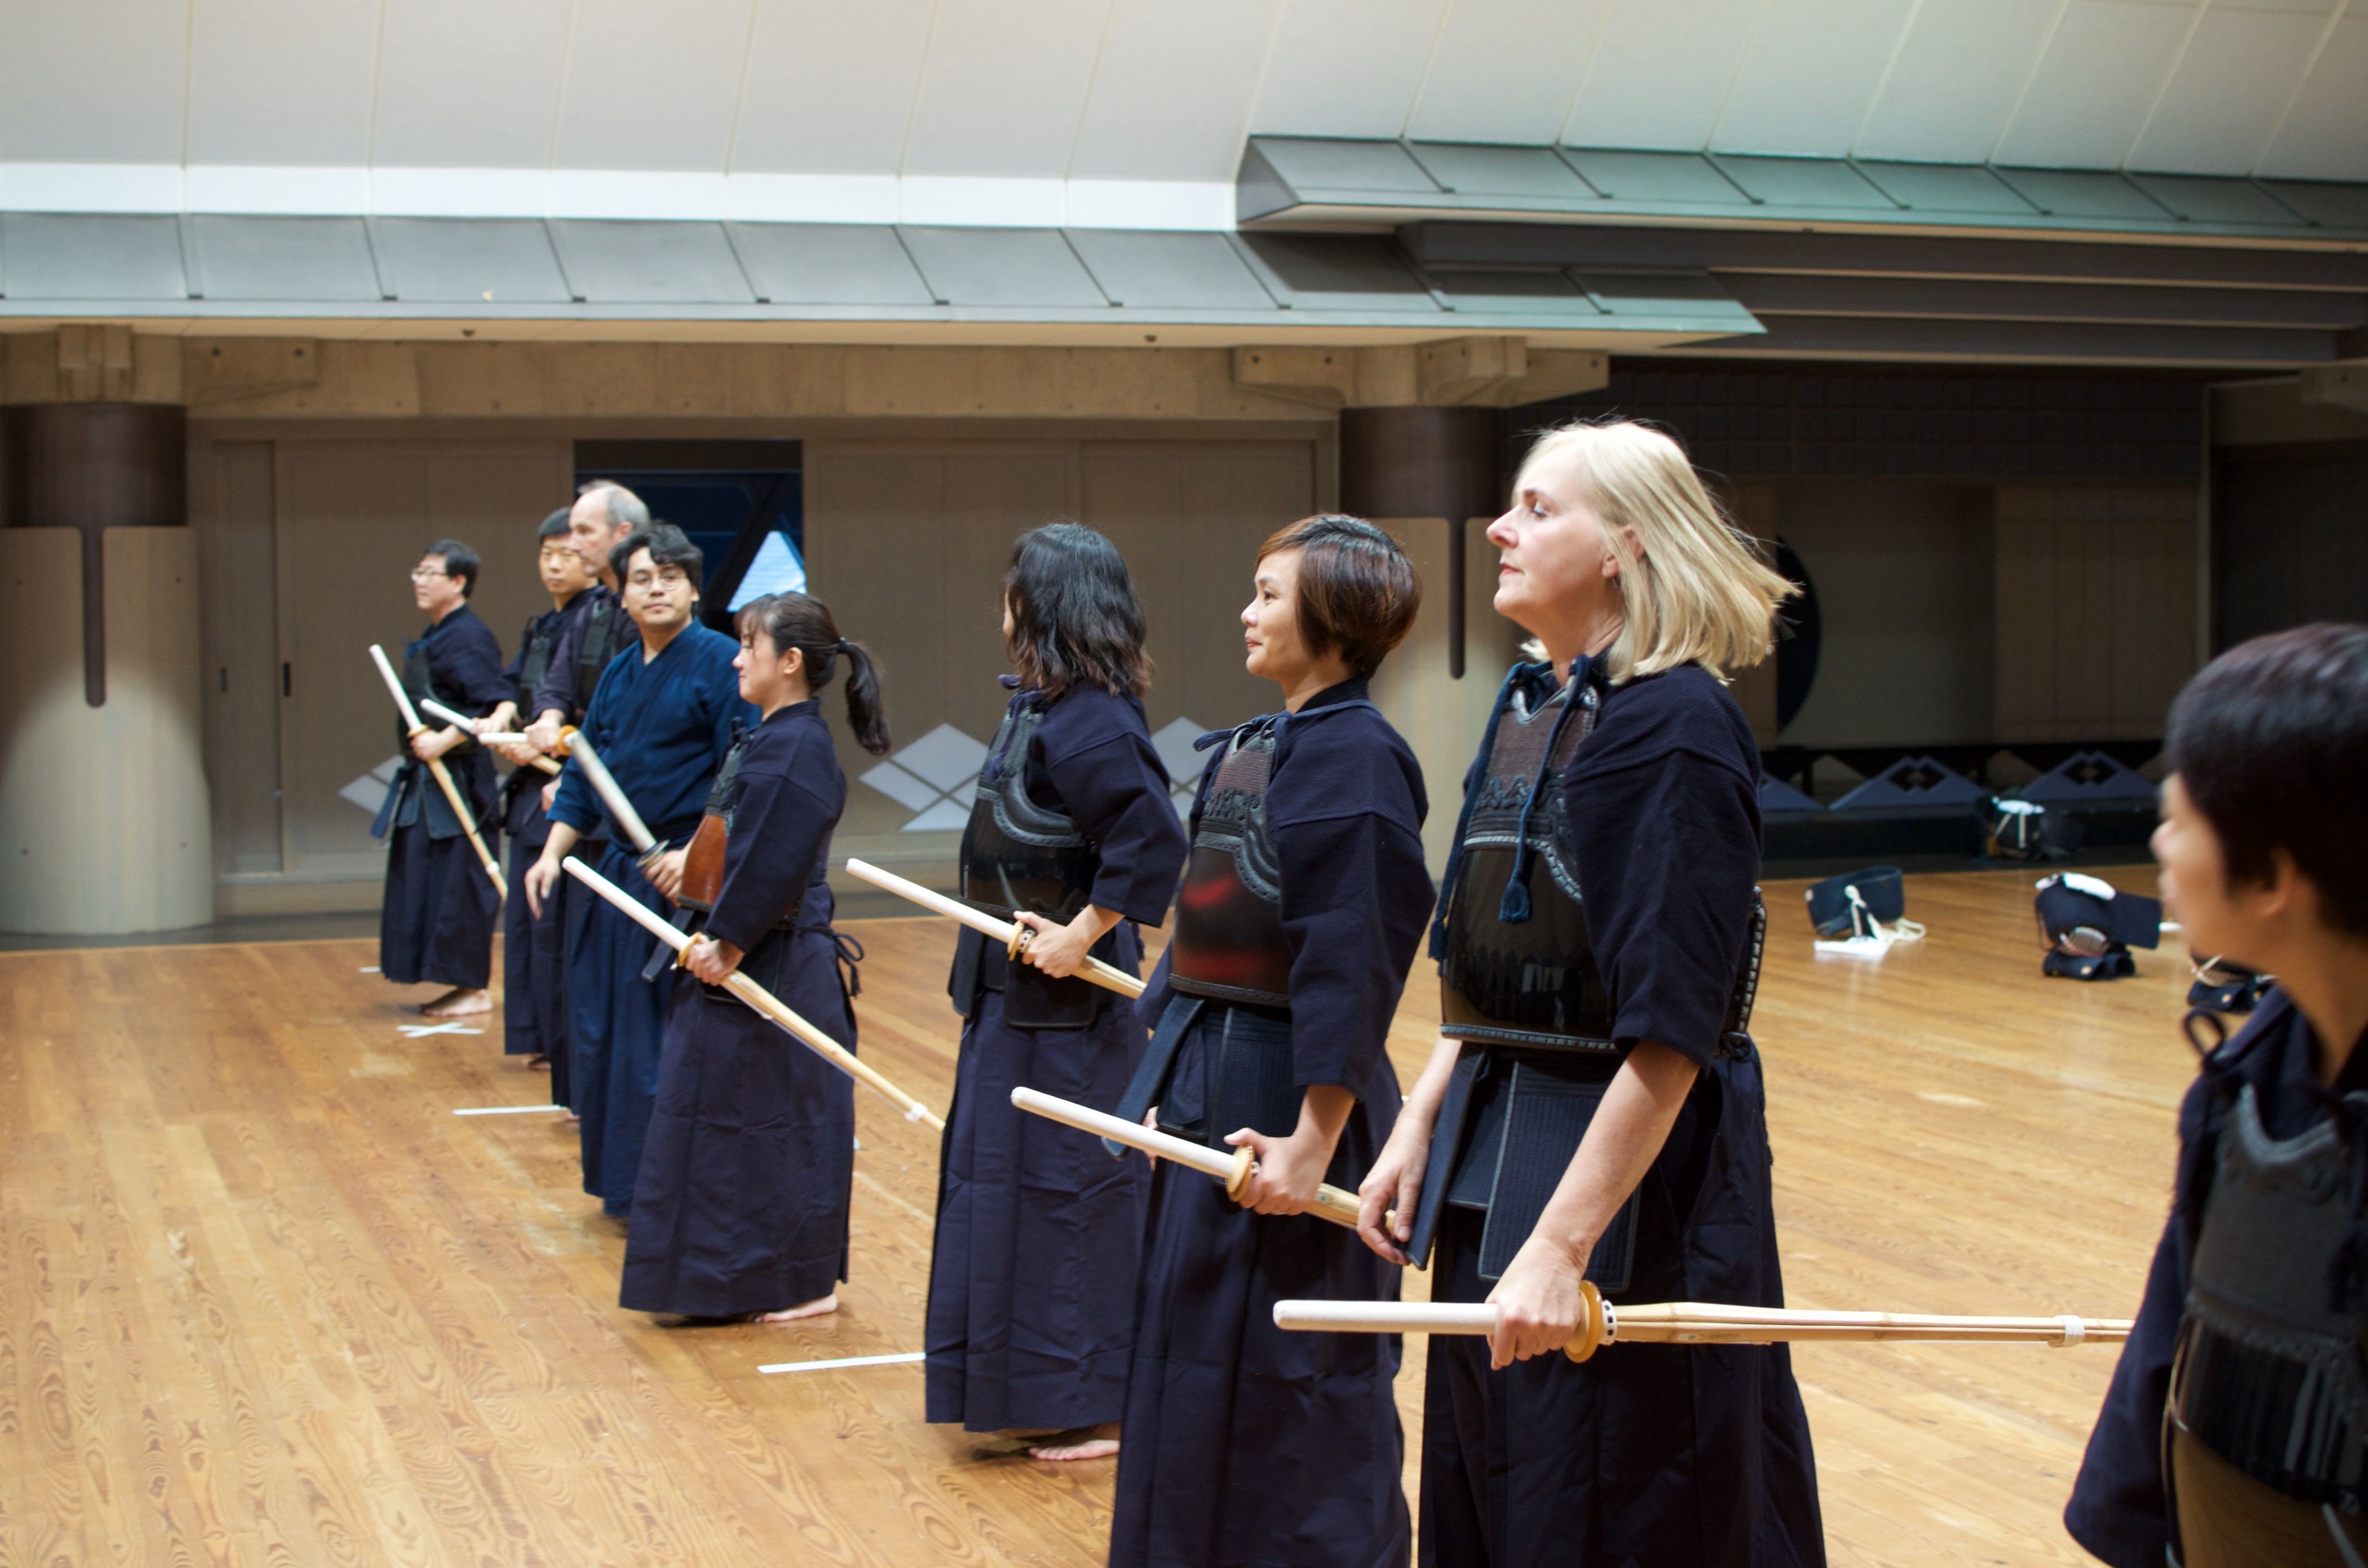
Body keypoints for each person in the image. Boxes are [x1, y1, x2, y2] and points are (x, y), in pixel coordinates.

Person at [1358, 420, 1824, 1568]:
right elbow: (1487, 958)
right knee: (1491, 1477)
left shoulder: (1677, 729)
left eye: (1537, 508)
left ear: (1622, 544)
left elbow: (1673, 1035)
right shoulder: (1531, 709)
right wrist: (1421, 1118)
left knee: (1621, 1495)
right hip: (1495, 1155)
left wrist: (1564, 1244)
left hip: (1626, 1192)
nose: (1501, 531)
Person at [1108, 515, 1430, 1568]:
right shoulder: (1260, 741)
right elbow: (1205, 918)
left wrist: (1312, 1135)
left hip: (1294, 1093)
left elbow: (1353, 960)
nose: (1246, 613)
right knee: (1195, 1355)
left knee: (1293, 1383)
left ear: (1331, 616)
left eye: (1268, 594)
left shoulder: (1362, 760)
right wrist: (1161, 1043)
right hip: (1213, 1068)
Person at [2065, 623, 2368, 1568]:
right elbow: (2169, 1349)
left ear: (2274, 875)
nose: (2159, 841)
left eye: (2179, 816)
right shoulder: (2243, 1082)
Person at [926, 523, 1190, 1462]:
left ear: (1042, 603)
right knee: (1005, 1188)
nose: (1002, 607)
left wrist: (1084, 932)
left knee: (1072, 1192)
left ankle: (1099, 1396)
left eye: (1012, 589)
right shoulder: (1044, 707)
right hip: (1014, 1001)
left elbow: (1151, 836)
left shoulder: (1094, 719)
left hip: (1068, 1016)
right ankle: (1035, 1383)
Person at [621, 592, 892, 1325]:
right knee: (713, 1120)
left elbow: (778, 855)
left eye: (749, 644)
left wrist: (729, 938)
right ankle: (721, 1277)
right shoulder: (766, 738)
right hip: (741, 960)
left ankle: (800, 1280)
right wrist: (693, 871)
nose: (738, 657)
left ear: (791, 661)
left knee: (784, 1128)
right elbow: (740, 838)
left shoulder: (798, 749)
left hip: (778, 968)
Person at [525, 524, 754, 1221]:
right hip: (616, 876)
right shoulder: (623, 669)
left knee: (660, 1041)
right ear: (621, 595)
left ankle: (672, 1192)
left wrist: (697, 856)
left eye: (670, 577)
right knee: (603, 1035)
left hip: (682, 877)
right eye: (642, 579)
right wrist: (551, 850)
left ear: (691, 587)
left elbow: (740, 769)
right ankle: (624, 1183)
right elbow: (585, 772)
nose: (656, 589)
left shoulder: (720, 662)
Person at [522, 481, 648, 1110]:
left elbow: (626, 730)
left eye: (583, 532)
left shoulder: (646, 619)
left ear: (622, 535)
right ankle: (588, 1101)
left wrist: (575, 771)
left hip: (638, 834)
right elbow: (559, 688)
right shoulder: (590, 610)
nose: (569, 545)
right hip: (588, 818)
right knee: (581, 976)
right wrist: (548, 722)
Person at [372, 540, 509, 1019]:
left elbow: (491, 708)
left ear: (458, 582)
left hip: (461, 786)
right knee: (429, 882)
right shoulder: (438, 634)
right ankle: (457, 982)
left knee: (461, 883)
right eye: (417, 571)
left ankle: (472, 987)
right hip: (429, 785)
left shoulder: (469, 636)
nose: (419, 580)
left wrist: (443, 741)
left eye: (430, 573)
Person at [480, 510, 592, 1072]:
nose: (554, 563)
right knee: (527, 922)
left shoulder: (595, 623)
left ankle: (563, 1041)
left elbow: (583, 713)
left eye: (567, 552)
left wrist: (545, 750)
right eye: (546, 552)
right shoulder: (542, 624)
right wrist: (502, 712)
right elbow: (515, 682)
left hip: (564, 786)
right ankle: (540, 1035)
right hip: (530, 784)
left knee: (554, 922)